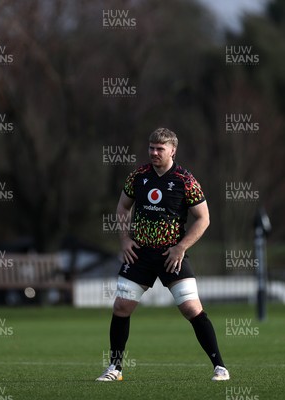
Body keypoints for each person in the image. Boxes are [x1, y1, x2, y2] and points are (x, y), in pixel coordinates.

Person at [96, 127, 229, 382]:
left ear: (172, 151)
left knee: (191, 308)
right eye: (151, 148)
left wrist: (181, 247)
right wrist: (124, 239)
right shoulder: (138, 176)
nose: (154, 153)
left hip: (172, 255)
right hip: (140, 254)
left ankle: (220, 367)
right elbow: (123, 208)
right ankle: (115, 368)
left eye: (160, 149)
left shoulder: (185, 180)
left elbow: (203, 219)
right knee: (121, 307)